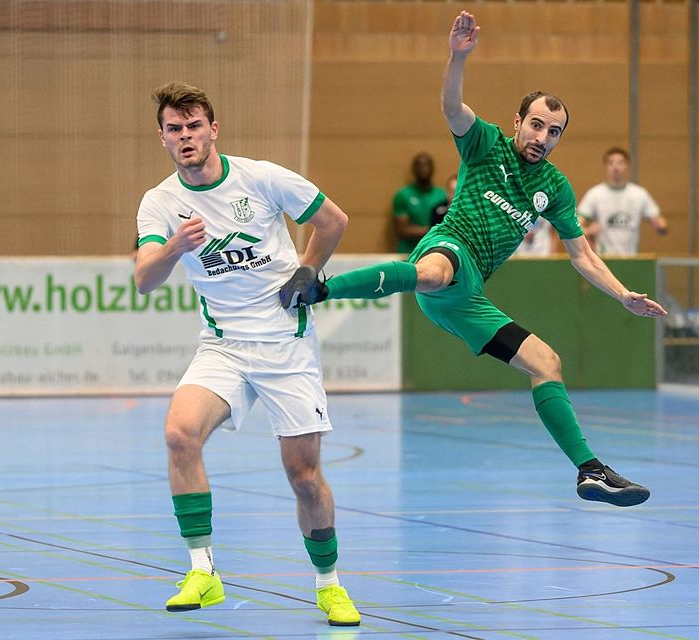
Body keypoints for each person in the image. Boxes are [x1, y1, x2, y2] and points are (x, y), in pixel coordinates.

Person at [281, 10, 666, 508]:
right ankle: (321, 289)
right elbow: (450, 107)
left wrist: (623, 296)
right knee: (437, 271)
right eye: (536, 125)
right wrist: (457, 56)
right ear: (517, 122)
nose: (542, 138)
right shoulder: (486, 145)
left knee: (547, 363)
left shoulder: (555, 187)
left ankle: (590, 472)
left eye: (553, 132)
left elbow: (583, 255)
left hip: (468, 296)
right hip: (447, 248)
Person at [134, 82, 360, 626]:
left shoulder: (261, 177)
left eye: (193, 127)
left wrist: (308, 269)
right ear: (162, 138)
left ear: (213, 130)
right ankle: (202, 572)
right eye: (174, 129)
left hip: (286, 343)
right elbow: (144, 279)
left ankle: (329, 584)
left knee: (303, 476)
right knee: (178, 433)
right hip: (223, 347)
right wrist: (175, 247)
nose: (185, 137)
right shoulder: (160, 202)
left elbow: (333, 220)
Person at [578, 147, 667, 256]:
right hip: (604, 259)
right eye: (611, 163)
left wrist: (660, 226)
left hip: (632, 259)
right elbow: (576, 225)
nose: (615, 167)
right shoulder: (595, 194)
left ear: (627, 166)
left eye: (620, 163)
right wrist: (587, 232)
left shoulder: (639, 194)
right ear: (606, 167)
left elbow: (659, 223)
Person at [393, 152, 447, 253]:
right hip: (409, 252)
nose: (423, 169)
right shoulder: (403, 195)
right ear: (413, 169)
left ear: (432, 169)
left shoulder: (442, 194)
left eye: (427, 165)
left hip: (435, 250)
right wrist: (432, 230)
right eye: (419, 165)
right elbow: (402, 230)